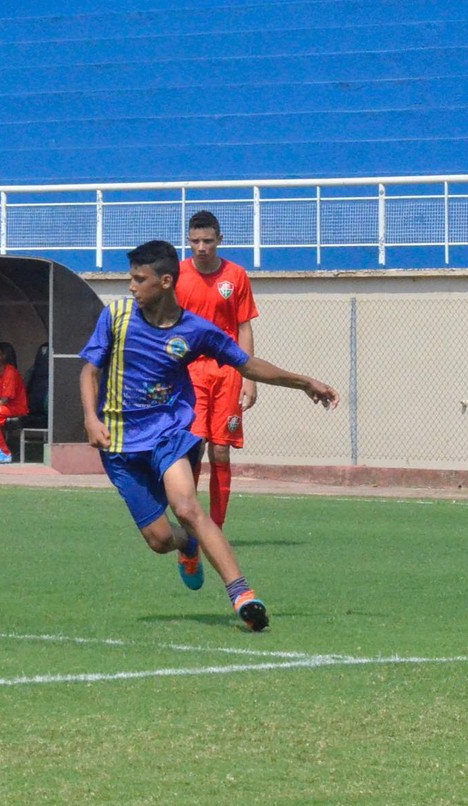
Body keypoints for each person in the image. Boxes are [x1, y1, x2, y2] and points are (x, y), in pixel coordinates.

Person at [79, 241, 338, 631]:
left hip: (169, 433)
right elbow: (89, 371)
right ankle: (187, 545)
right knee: (159, 539)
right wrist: (88, 417)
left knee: (186, 505)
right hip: (118, 443)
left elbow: (247, 364)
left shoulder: (196, 331)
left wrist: (304, 382)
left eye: (139, 279)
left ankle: (243, 595)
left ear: (165, 282)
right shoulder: (115, 316)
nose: (131, 286)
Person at [176, 210, 259, 528]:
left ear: (219, 240)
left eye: (208, 241)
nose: (201, 247)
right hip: (191, 372)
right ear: (189, 241)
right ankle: (193, 525)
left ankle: (217, 528)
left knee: (221, 451)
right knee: (194, 446)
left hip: (228, 372)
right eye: (195, 241)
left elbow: (244, 327)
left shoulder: (236, 276)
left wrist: (249, 378)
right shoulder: (178, 275)